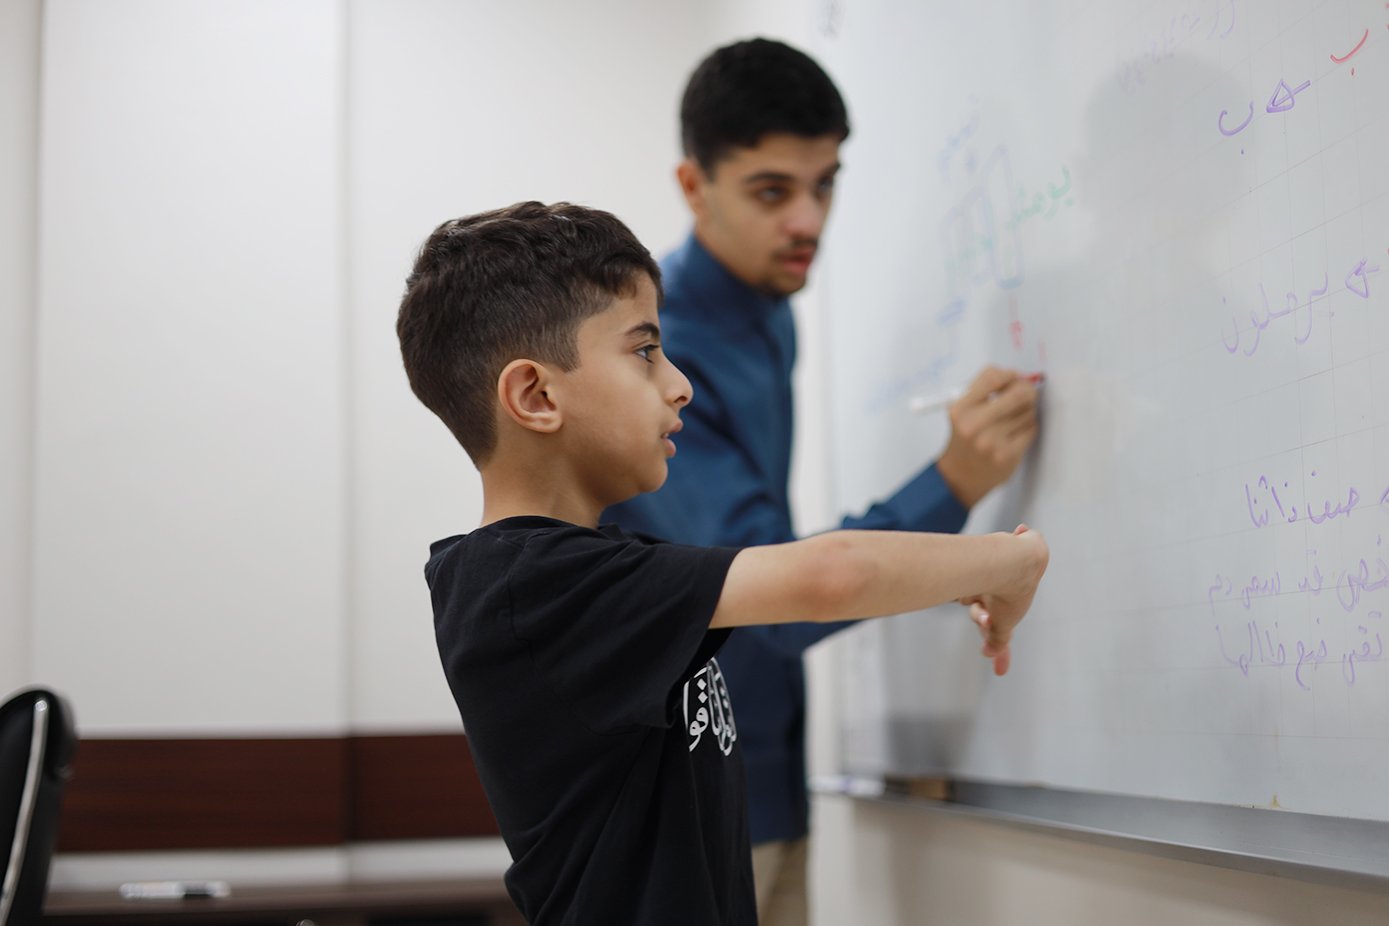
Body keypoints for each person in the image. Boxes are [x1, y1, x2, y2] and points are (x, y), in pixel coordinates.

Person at [396, 200, 1048, 925]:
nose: (680, 384)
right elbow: (830, 575)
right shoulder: (532, 589)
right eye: (645, 352)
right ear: (536, 395)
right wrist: (1011, 560)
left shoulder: (598, 569)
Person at [603, 38, 1042, 923]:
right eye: (772, 191)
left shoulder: (771, 316)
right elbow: (760, 588)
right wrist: (953, 482)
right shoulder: (655, 345)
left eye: (825, 184)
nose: (808, 220)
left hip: (762, 774)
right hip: (677, 796)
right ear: (693, 186)